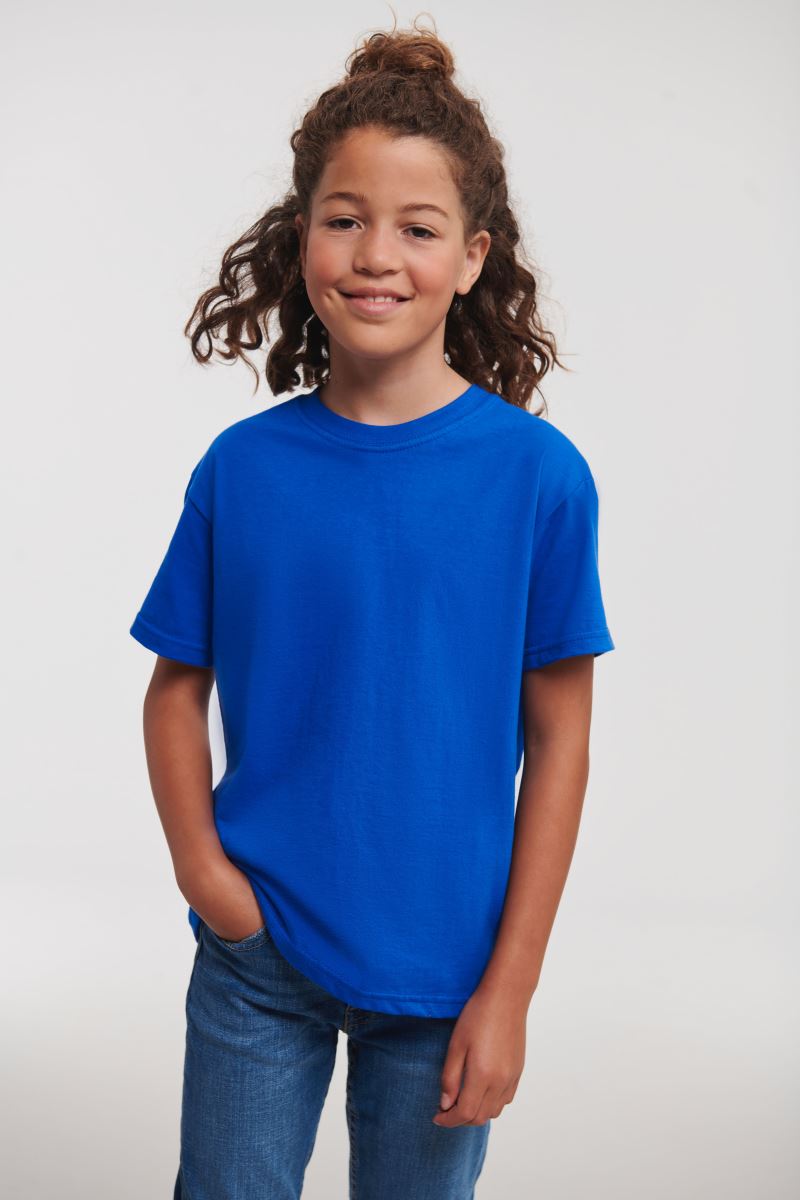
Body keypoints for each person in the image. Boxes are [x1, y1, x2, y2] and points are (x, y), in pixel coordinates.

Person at [130, 16, 615, 1200]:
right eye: (343, 220)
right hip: (259, 958)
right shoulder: (243, 469)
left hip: (448, 969)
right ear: (300, 237)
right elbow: (174, 691)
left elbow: (559, 741)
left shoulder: (536, 479)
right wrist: (208, 883)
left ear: (472, 257)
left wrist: (509, 989)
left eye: (418, 228)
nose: (374, 256)